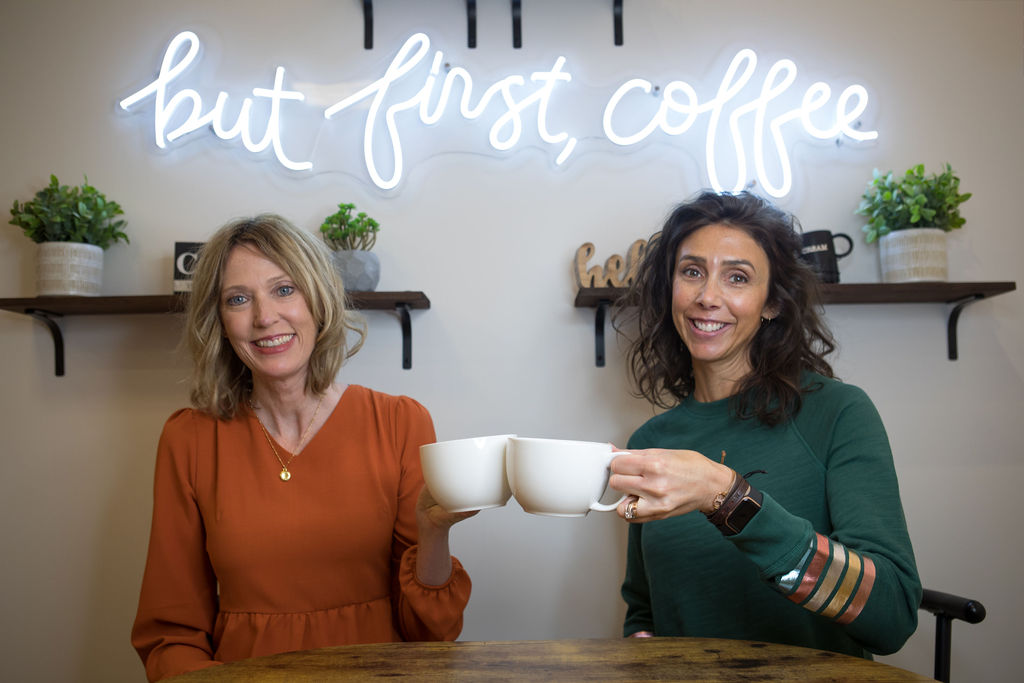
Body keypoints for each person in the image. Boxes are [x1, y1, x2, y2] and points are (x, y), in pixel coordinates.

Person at [131, 214, 474, 681]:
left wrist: (435, 533)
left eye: (284, 289)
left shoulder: (400, 422)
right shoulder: (189, 439)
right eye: (238, 299)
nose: (264, 317)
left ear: (319, 299)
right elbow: (171, 635)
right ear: (220, 321)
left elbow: (432, 631)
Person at [608, 191, 921, 658]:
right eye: (691, 271)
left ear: (771, 302)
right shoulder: (650, 443)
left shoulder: (838, 414)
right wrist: (641, 645)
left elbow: (891, 615)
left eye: (737, 277)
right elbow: (644, 609)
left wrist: (726, 495)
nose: (707, 296)